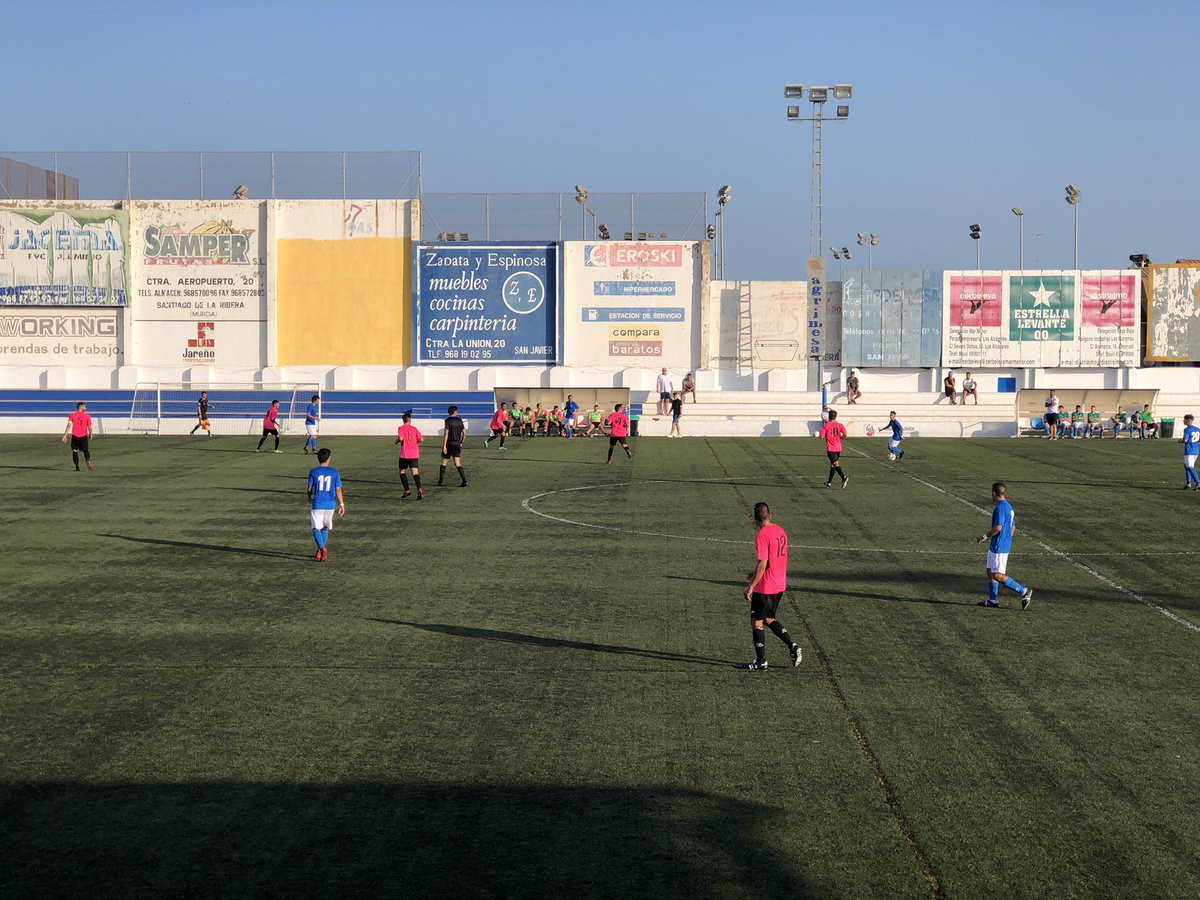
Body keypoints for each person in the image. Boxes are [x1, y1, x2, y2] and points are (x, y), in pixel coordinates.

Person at [740, 501, 801, 671]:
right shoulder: (780, 531)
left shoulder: (762, 535)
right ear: (770, 515)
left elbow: (763, 563)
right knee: (768, 618)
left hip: (766, 586)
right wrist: (754, 575)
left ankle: (761, 661)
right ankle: (793, 646)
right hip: (779, 584)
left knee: (756, 622)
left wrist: (751, 586)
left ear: (754, 519)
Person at [975, 482, 1033, 609]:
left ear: (993, 493)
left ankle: (1024, 591)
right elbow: (1013, 527)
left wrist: (983, 537)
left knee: (997, 575)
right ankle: (993, 600)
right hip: (999, 544)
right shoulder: (1009, 507)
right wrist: (1007, 538)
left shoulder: (1000, 508)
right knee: (990, 571)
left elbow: (998, 527)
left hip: (999, 546)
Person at [306, 447, 345, 562]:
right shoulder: (334, 472)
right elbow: (338, 489)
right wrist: (342, 504)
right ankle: (320, 550)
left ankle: (322, 548)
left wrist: (309, 497)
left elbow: (309, 488)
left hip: (318, 504)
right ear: (328, 459)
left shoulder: (313, 472)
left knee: (315, 528)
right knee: (324, 527)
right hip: (330, 505)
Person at [395, 411, 424, 499]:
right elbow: (421, 439)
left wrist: (396, 441)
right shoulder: (414, 428)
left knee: (402, 471)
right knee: (415, 472)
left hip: (405, 454)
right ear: (410, 420)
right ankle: (419, 489)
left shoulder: (401, 428)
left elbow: (401, 438)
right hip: (414, 454)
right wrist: (415, 442)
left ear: (403, 420)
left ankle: (407, 490)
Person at [818, 408, 849, 488]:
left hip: (831, 448)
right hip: (838, 448)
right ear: (835, 417)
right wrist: (841, 437)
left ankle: (844, 477)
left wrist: (821, 433)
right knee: (832, 465)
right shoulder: (840, 425)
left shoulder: (826, 425)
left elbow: (821, 436)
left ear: (829, 417)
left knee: (835, 464)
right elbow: (845, 434)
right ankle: (829, 482)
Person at [439, 404, 468, 487]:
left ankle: (440, 481)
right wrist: (461, 442)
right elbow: (465, 433)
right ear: (455, 412)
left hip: (449, 444)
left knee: (444, 462)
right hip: (457, 444)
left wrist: (444, 445)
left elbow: (446, 433)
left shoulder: (447, 421)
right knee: (458, 463)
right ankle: (464, 481)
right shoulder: (459, 420)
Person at [62, 401, 94, 471]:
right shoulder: (87, 416)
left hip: (75, 436)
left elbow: (69, 425)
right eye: (84, 406)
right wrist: (90, 434)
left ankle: (77, 467)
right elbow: (89, 426)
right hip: (83, 436)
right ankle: (87, 460)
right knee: (86, 450)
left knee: (75, 451)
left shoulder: (72, 415)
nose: (85, 408)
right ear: (81, 407)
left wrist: (65, 435)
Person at [1180, 414, 1199, 490]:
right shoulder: (1197, 429)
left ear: (1188, 420)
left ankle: (1198, 483)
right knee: (1187, 466)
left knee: (1189, 467)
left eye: (1184, 419)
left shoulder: (1187, 429)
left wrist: (1179, 440)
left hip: (1189, 451)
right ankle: (1188, 484)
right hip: (1195, 451)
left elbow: (1185, 440)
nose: (1183, 421)